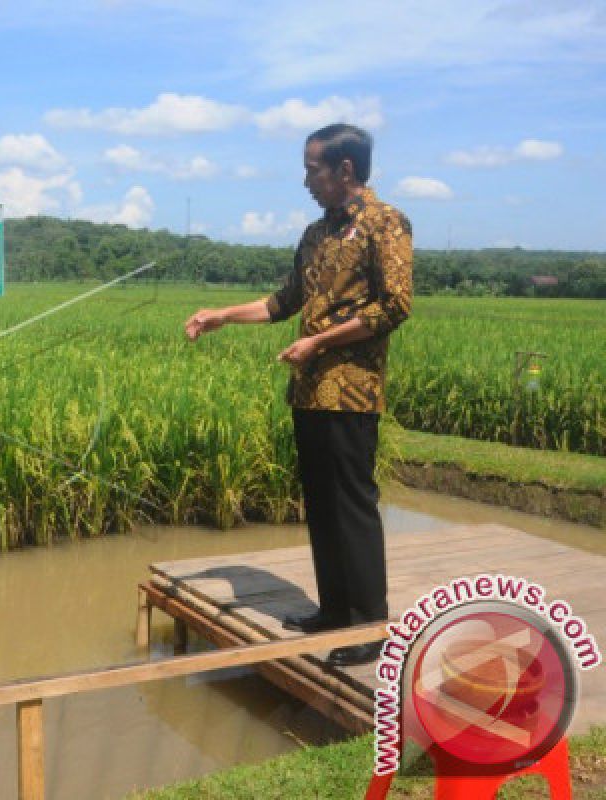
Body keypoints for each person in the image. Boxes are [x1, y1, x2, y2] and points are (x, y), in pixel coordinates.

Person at [184, 123, 412, 667]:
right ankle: (334, 611)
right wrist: (223, 316)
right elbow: (284, 301)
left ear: (345, 171)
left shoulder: (387, 224)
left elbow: (395, 306)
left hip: (352, 391)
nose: (306, 178)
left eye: (314, 168)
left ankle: (371, 625)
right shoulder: (315, 234)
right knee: (322, 503)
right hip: (308, 389)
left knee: (353, 506)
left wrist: (320, 341)